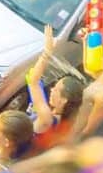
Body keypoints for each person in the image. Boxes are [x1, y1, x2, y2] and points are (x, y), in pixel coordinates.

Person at [19, 25, 84, 154]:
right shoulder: (65, 121)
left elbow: (33, 81)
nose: (52, 89)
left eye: (57, 89)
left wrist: (47, 51)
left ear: (64, 100)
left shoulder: (46, 118)